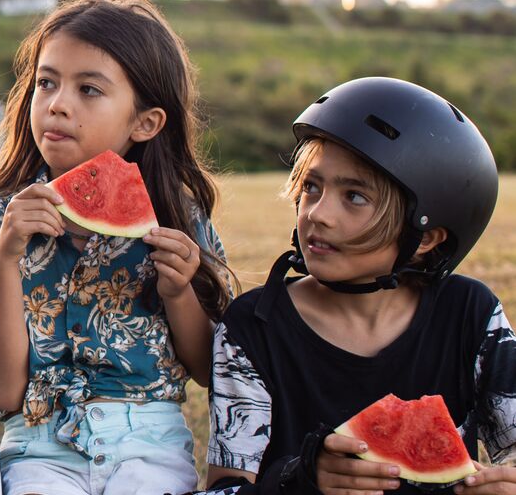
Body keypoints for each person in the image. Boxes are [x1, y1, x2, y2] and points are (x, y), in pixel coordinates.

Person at [0, 0, 233, 495]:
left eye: (89, 89)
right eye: (46, 82)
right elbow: (3, 395)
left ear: (146, 123)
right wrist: (8, 257)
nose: (58, 103)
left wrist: (179, 292)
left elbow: (206, 370)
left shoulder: (178, 219)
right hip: (37, 447)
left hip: (150, 442)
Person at [201, 77, 515, 495]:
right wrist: (303, 480)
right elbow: (225, 488)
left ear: (424, 237)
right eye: (312, 187)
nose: (318, 213)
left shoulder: (469, 314)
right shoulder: (252, 328)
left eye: (354, 197)